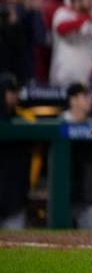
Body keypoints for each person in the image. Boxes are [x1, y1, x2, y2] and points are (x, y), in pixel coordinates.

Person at [0, 74, 42, 229]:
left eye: (16, 91)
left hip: (15, 196)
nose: (15, 95)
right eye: (10, 91)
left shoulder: (25, 118)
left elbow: (37, 153)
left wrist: (30, 183)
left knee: (13, 245)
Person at [62, 82, 92, 229]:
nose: (90, 100)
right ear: (72, 100)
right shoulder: (58, 124)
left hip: (88, 197)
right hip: (62, 197)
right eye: (85, 96)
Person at [50, 0, 92, 86]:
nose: (91, 2)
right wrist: (87, 17)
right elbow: (61, 28)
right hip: (65, 74)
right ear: (76, 0)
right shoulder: (63, 13)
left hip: (86, 75)